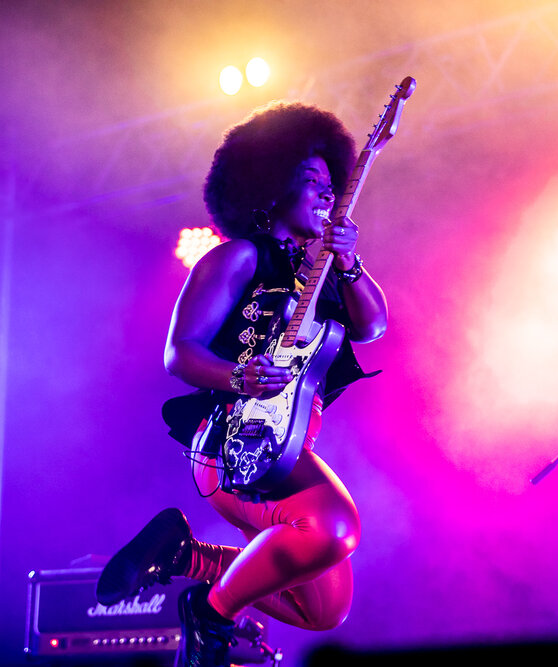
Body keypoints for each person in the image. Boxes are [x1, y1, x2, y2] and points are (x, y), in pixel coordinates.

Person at [97, 101, 388, 667]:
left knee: (325, 608)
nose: (327, 194)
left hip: (284, 448)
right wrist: (240, 375)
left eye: (332, 184)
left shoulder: (319, 276)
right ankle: (209, 614)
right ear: (270, 185)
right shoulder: (236, 258)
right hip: (231, 444)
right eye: (311, 181)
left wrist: (349, 263)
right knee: (333, 525)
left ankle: (186, 555)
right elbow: (179, 353)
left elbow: (373, 326)